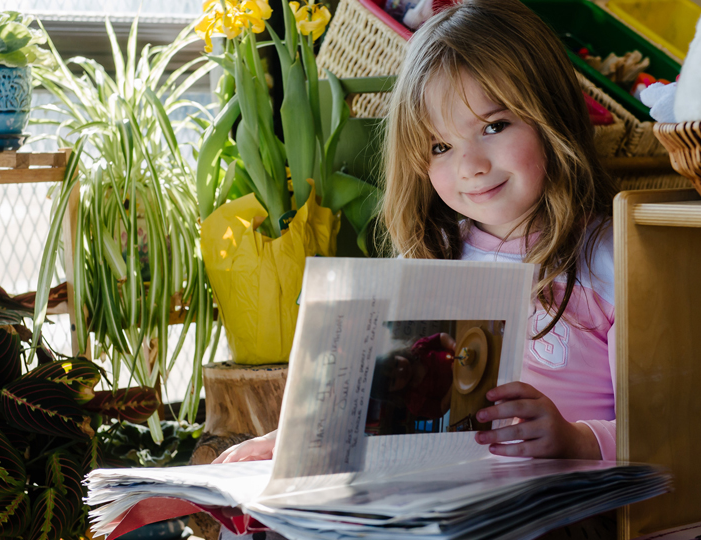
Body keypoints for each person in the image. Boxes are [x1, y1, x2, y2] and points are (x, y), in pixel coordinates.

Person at [214, 0, 617, 465]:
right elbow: (366, 404)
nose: (471, 166)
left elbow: (671, 423)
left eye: (494, 125)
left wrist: (577, 439)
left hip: (567, 509)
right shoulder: (428, 261)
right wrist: (295, 439)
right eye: (440, 146)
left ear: (553, 115)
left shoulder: (614, 259)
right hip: (436, 499)